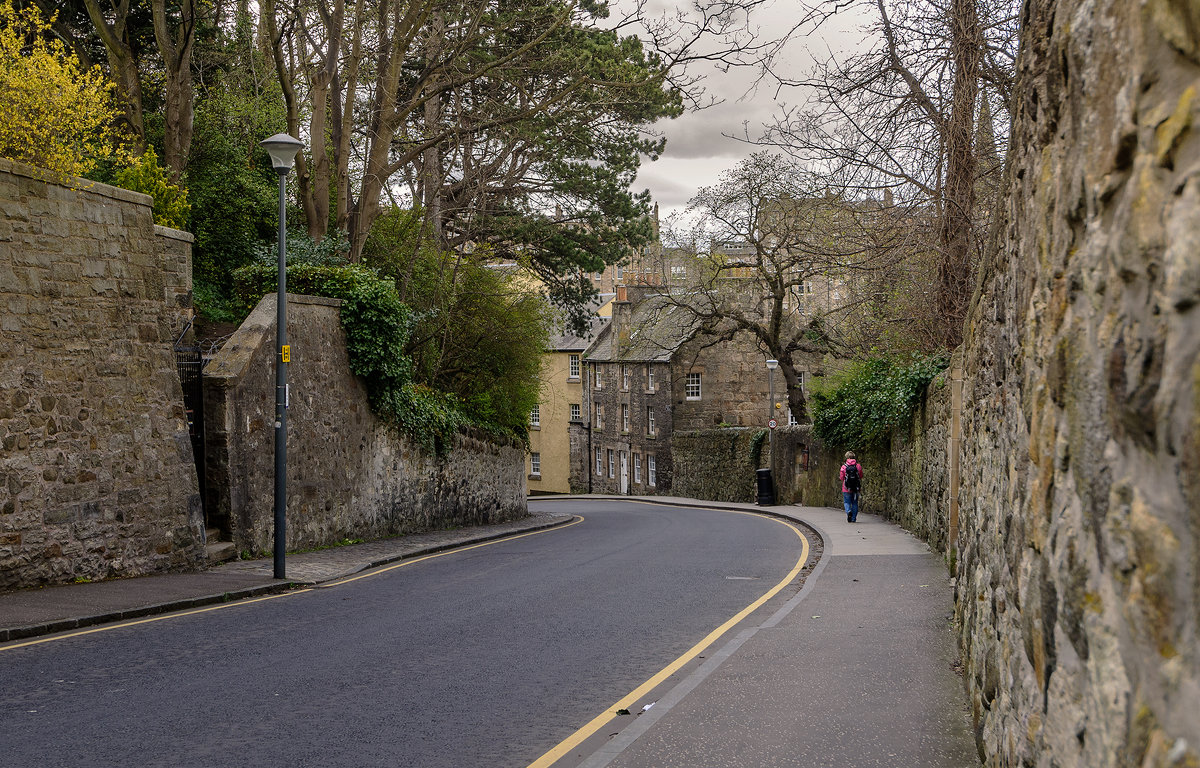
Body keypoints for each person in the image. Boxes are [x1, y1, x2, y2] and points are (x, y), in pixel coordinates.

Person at [840, 451, 863, 522]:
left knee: (847, 502)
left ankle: (848, 511)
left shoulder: (844, 466)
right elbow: (861, 476)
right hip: (856, 488)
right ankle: (853, 519)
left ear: (847, 457)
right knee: (854, 503)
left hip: (846, 488)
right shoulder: (858, 466)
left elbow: (841, 477)